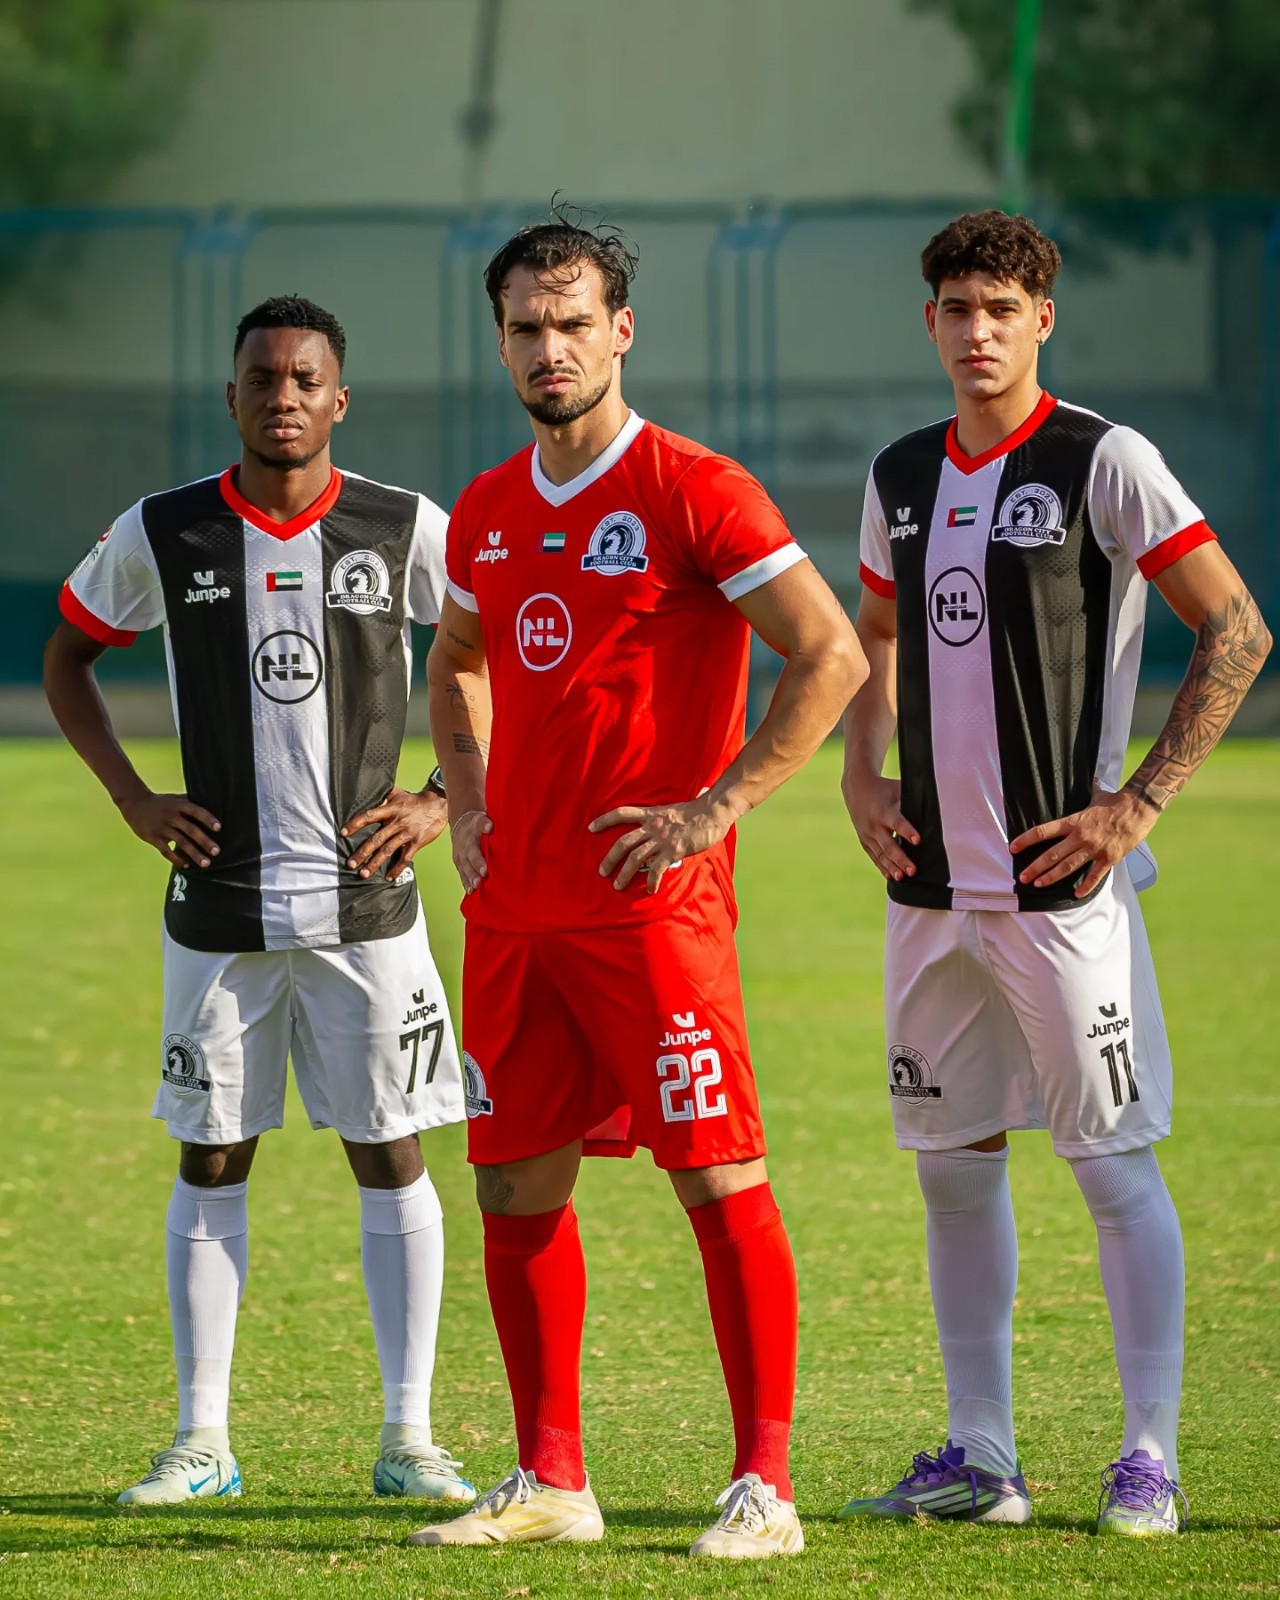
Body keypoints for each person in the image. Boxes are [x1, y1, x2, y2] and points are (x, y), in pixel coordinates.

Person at [411, 213, 866, 1558]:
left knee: (718, 1181)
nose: (548, 348)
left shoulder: (691, 487)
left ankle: (764, 1489)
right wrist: (468, 801)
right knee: (512, 1191)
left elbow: (830, 652)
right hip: (516, 914)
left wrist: (714, 808)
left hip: (654, 913)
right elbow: (457, 661)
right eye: (525, 327)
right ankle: (550, 1479)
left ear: (620, 331)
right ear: (501, 342)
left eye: (572, 323)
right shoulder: (486, 508)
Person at [839, 211, 1271, 1535]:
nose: (976, 331)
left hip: (1061, 894)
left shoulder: (1102, 459)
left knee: (1110, 1167)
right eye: (956, 309)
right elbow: (874, 635)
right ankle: (983, 1458)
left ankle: (1149, 1457)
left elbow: (1235, 627)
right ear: (928, 322)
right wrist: (861, 775)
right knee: (950, 1168)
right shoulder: (900, 472)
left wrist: (1135, 804)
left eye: (1000, 310)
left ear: (1041, 320)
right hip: (929, 892)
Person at [43, 296, 477, 1509]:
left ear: (340, 398)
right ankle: (202, 1442)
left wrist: (442, 798)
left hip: (367, 905)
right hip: (221, 909)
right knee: (211, 1153)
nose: (282, 396)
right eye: (262, 378)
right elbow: (68, 654)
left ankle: (409, 1437)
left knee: (389, 1150)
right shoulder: (166, 529)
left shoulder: (402, 525)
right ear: (230, 395)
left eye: (303, 378)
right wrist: (133, 797)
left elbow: (490, 651)